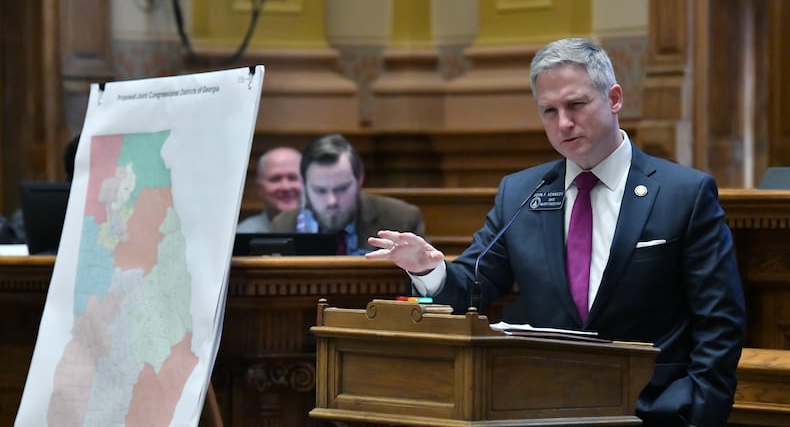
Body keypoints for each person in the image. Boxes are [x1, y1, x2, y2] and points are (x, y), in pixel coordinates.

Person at [365, 38, 746, 426]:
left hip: (655, 410)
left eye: (576, 105)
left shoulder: (684, 193)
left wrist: (698, 415)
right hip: (546, 409)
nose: (563, 122)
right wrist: (429, 269)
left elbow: (720, 322)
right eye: (549, 110)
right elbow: (473, 288)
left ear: (614, 99)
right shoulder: (521, 194)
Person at [271, 133, 425, 255]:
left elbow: (425, 284)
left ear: (360, 179)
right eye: (320, 190)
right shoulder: (285, 225)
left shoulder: (401, 220)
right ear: (304, 185)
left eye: (342, 189)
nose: (332, 200)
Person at [237, 147, 303, 233]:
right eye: (275, 179)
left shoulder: (325, 230)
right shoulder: (241, 234)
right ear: (260, 188)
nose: (285, 187)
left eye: (293, 178)